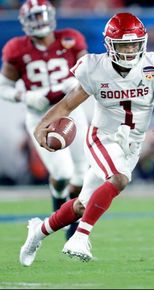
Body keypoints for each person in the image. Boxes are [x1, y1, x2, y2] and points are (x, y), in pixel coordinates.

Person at [19, 12, 154, 266]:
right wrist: (42, 125)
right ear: (109, 45)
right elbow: (67, 104)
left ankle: (37, 232)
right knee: (119, 179)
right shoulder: (95, 68)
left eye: (134, 44)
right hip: (103, 137)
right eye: (123, 45)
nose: (129, 50)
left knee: (83, 206)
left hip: (132, 144)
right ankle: (80, 237)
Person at [0, 0, 89, 239]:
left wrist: (77, 81)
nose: (40, 22)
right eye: (34, 18)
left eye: (42, 16)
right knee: (62, 173)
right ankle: (59, 209)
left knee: (81, 173)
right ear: (25, 23)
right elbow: (3, 87)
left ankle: (72, 223)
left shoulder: (70, 38)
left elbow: (88, 69)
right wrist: (24, 95)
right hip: (41, 116)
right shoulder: (16, 48)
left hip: (71, 111)